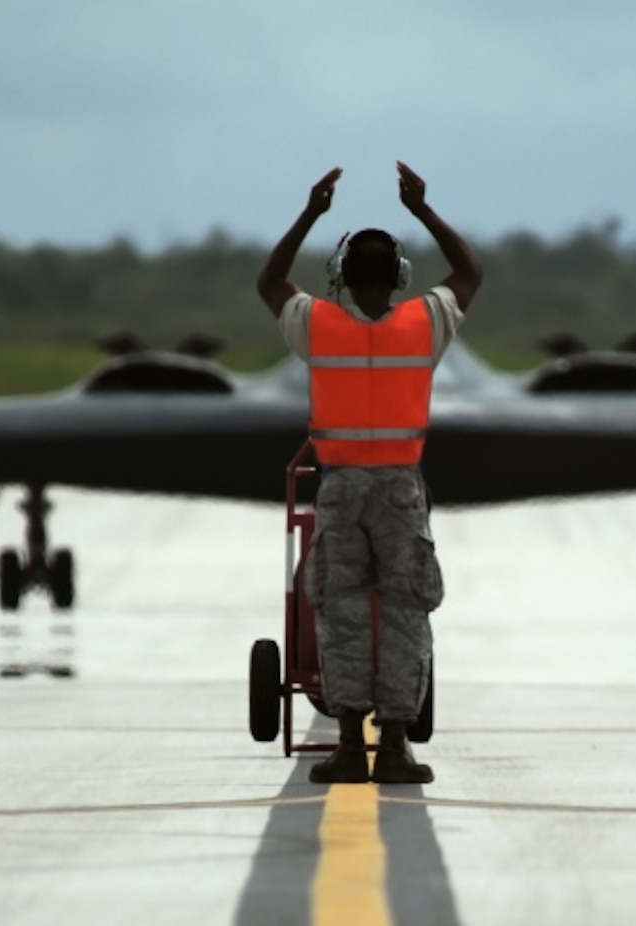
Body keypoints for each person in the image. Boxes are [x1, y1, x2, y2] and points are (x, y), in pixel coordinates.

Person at [256, 162, 483, 785]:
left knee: (341, 609)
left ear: (341, 276)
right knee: (406, 610)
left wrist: (311, 212)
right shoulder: (424, 324)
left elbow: (270, 281)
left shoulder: (318, 325)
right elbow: (468, 273)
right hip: (400, 490)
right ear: (401, 276)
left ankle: (351, 745)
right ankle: (397, 746)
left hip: (340, 488)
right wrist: (423, 209)